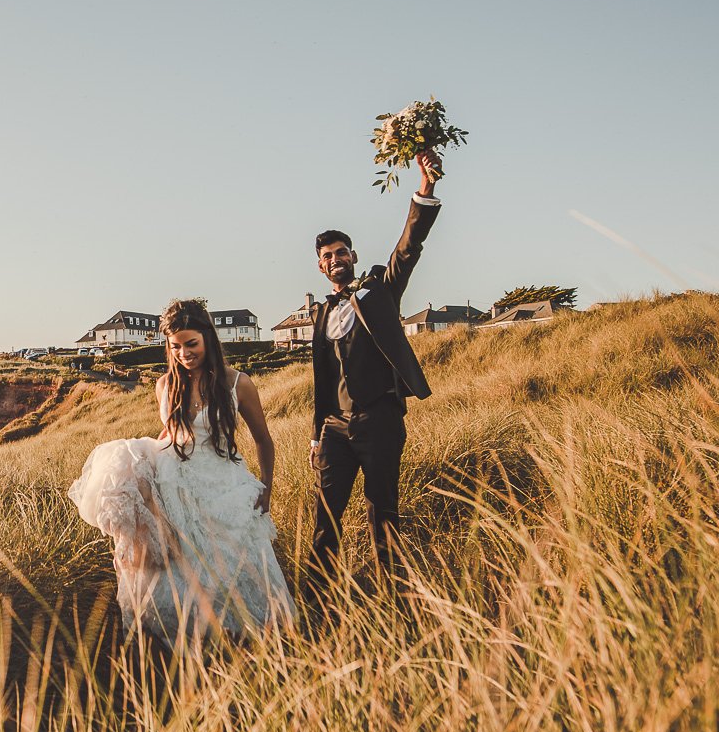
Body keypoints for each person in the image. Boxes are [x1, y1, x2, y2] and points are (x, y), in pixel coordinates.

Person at [69, 299, 294, 647]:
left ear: (208, 339)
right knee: (181, 570)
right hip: (174, 484)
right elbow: (171, 433)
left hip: (223, 484)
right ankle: (193, 643)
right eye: (176, 347)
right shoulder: (164, 385)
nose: (185, 353)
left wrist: (267, 486)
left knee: (230, 567)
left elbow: (264, 440)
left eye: (192, 344)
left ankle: (243, 641)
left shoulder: (238, 384)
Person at [307, 149, 445, 601]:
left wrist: (424, 191)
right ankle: (317, 603)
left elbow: (408, 247)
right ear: (321, 266)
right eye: (327, 255)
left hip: (381, 421)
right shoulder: (320, 313)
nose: (335, 259)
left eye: (341, 251)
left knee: (382, 512)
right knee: (325, 516)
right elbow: (321, 381)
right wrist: (315, 434)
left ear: (353, 256)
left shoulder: (379, 290)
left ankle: (395, 602)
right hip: (334, 430)